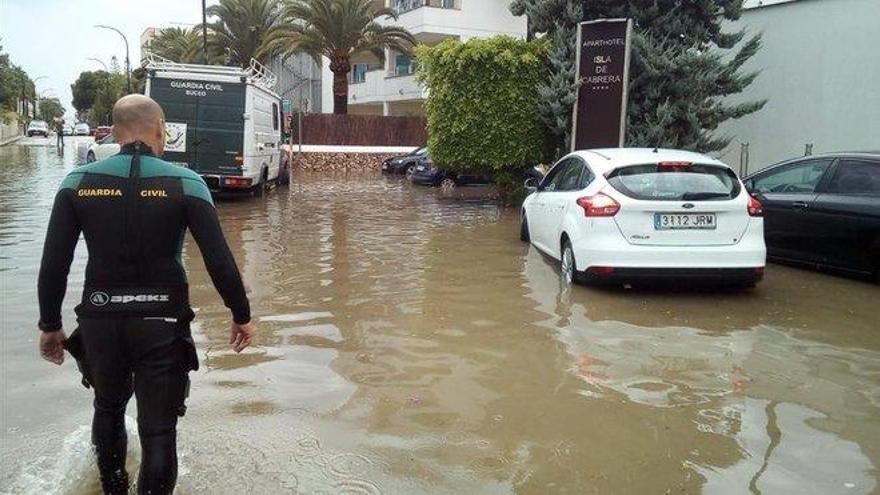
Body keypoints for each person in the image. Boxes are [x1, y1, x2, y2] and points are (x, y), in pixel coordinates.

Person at [37, 94, 256, 494]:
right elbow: (219, 260)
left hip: (101, 320)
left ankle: (113, 487)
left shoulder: (77, 183)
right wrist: (240, 314)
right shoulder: (187, 183)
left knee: (108, 408)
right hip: (163, 323)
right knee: (159, 431)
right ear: (161, 130)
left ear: (116, 130)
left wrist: (50, 325)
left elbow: (54, 263)